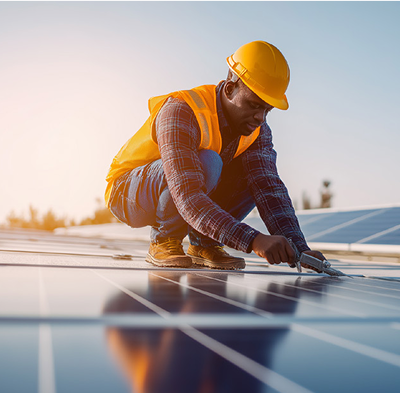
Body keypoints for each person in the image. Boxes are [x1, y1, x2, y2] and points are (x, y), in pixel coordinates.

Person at [104, 41, 326, 270]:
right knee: (208, 162)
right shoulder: (181, 110)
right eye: (253, 105)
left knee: (255, 175)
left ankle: (204, 244)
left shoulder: (256, 130)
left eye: (267, 110)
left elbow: (269, 188)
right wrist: (253, 240)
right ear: (230, 89)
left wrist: (300, 248)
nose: (260, 118)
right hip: (128, 192)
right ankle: (164, 240)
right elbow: (186, 195)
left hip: (182, 189)